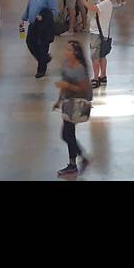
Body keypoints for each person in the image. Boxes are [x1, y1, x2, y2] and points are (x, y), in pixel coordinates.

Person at [53, 39, 92, 177]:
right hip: (68, 102)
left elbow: (83, 89)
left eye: (69, 50)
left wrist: (67, 87)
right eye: (66, 49)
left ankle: (75, 163)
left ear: (76, 52)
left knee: (67, 134)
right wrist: (58, 100)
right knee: (68, 134)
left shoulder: (79, 68)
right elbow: (64, 83)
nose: (66, 52)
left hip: (76, 104)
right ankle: (76, 161)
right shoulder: (65, 64)